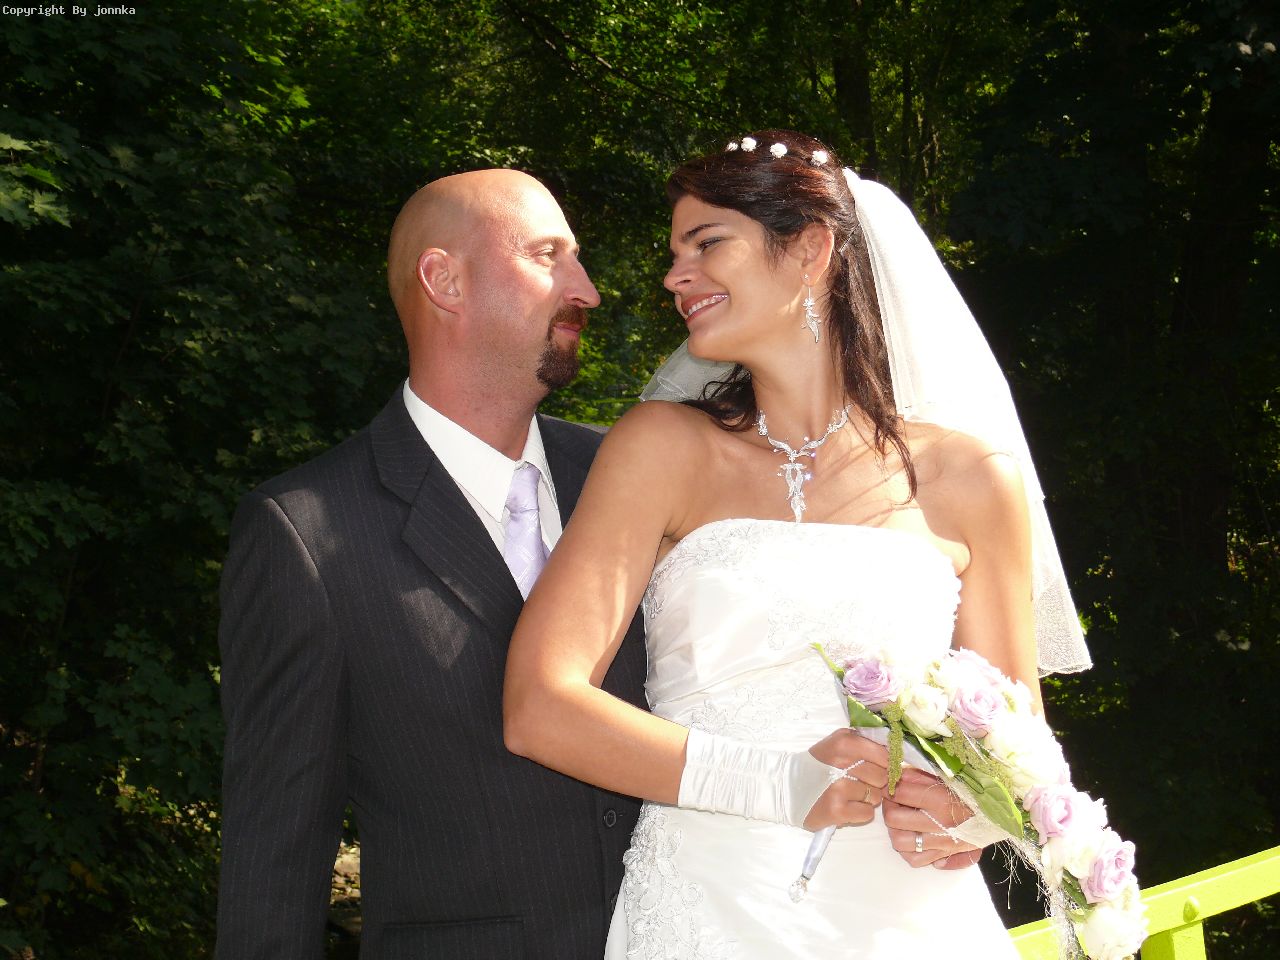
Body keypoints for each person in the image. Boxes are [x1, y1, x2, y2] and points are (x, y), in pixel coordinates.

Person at [503, 130, 1091, 957]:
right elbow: (540, 705)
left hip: (911, 915)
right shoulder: (662, 448)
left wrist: (972, 817)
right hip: (711, 906)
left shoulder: (970, 478)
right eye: (674, 254)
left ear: (811, 250)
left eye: (707, 243)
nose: (674, 276)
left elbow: (1017, 738)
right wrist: (778, 783)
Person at [215, 169, 652, 959]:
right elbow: (275, 853)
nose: (586, 289)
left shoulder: (630, 477)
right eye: (548, 255)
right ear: (444, 280)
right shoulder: (305, 533)